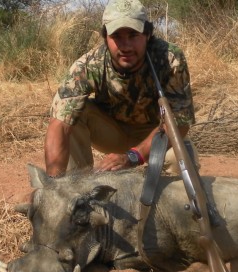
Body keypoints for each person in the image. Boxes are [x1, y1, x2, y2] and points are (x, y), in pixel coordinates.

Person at [44, 0, 199, 178]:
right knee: (73, 114)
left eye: (133, 35)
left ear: (147, 35)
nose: (125, 46)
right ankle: (75, 195)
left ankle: (159, 202)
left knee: (182, 159)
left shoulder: (169, 59)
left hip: (155, 134)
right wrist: (52, 186)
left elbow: (180, 124)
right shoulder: (87, 65)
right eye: (117, 36)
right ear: (105, 38)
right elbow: (59, 126)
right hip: (111, 132)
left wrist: (133, 156)